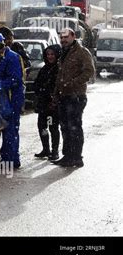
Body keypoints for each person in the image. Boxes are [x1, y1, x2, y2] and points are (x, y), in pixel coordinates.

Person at [0, 26, 30, 157]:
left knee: (11, 131)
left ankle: (12, 159)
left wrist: (0, 85)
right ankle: (6, 156)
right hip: (5, 99)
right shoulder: (2, 58)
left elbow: (16, 80)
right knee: (5, 130)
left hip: (13, 99)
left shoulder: (13, 57)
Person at [52, 28, 95, 168]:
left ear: (73, 36)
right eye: (61, 38)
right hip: (63, 96)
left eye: (66, 37)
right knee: (64, 127)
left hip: (76, 96)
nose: (63, 40)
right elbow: (60, 76)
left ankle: (77, 157)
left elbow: (89, 72)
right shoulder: (64, 53)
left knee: (74, 127)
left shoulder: (81, 52)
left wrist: (72, 84)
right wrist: (56, 93)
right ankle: (68, 156)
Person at [34, 44, 62, 161]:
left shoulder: (59, 69)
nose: (50, 57)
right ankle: (46, 149)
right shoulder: (44, 69)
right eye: (48, 54)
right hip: (43, 105)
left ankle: (54, 151)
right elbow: (37, 84)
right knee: (42, 127)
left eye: (52, 54)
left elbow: (58, 86)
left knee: (53, 128)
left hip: (53, 105)